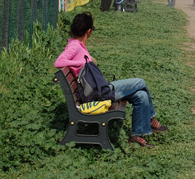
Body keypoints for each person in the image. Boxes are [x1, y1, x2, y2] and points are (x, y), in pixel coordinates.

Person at [55, 12, 168, 147]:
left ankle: (136, 136)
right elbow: (59, 62)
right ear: (89, 31)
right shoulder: (74, 46)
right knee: (140, 82)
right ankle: (150, 118)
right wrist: (80, 63)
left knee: (141, 95)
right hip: (99, 93)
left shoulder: (77, 45)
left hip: (99, 88)